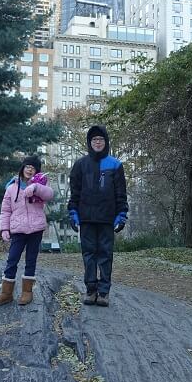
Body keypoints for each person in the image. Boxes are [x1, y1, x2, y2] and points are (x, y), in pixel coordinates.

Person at [67, 125, 128, 307]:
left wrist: (122, 214)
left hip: (106, 219)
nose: (98, 142)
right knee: (88, 255)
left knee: (105, 255)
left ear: (106, 142)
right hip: (86, 218)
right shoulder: (80, 164)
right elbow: (75, 192)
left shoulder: (115, 165)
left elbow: (120, 194)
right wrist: (73, 213)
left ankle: (103, 292)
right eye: (94, 140)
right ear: (89, 143)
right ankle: (91, 290)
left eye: (101, 139)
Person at [0, 155, 54, 306]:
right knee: (12, 259)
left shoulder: (41, 185)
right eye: (27, 166)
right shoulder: (12, 187)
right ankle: (6, 293)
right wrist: (4, 228)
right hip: (17, 229)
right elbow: (5, 210)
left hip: (35, 229)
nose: (30, 169)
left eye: (33, 168)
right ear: (23, 168)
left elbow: (49, 194)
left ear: (36, 171)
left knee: (31, 260)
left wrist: (36, 188)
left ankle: (27, 292)